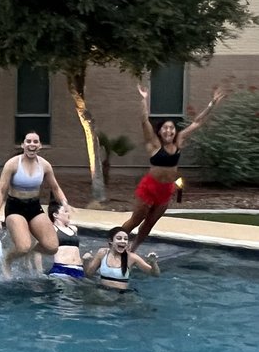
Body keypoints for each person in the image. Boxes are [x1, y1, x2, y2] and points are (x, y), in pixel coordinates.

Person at [122, 82, 227, 253]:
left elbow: (198, 122)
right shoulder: (153, 143)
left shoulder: (179, 140)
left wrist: (211, 104)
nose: (169, 131)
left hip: (166, 189)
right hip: (150, 187)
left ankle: (133, 250)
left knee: (150, 224)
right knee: (136, 220)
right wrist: (144, 100)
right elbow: (144, 120)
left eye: (171, 128)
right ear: (160, 131)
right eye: (165, 128)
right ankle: (113, 243)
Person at [0, 131, 69, 275]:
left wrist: (64, 202)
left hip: (34, 206)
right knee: (23, 247)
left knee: (52, 247)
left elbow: (55, 187)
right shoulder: (12, 164)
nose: (32, 144)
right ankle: (7, 259)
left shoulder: (45, 165)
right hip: (15, 207)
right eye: (29, 141)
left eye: (35, 142)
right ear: (23, 145)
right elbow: (1, 191)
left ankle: (31, 253)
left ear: (40, 146)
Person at [83, 226, 160, 292]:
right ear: (111, 241)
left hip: (122, 294)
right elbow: (89, 274)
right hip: (103, 291)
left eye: (125, 239)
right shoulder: (102, 253)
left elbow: (155, 274)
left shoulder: (132, 257)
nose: (123, 241)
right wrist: (86, 261)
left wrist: (153, 263)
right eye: (119, 238)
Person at [46, 201, 86, 279]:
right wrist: (39, 270)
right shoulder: (52, 229)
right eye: (65, 211)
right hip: (61, 269)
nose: (68, 214)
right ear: (55, 215)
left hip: (78, 269)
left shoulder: (74, 229)